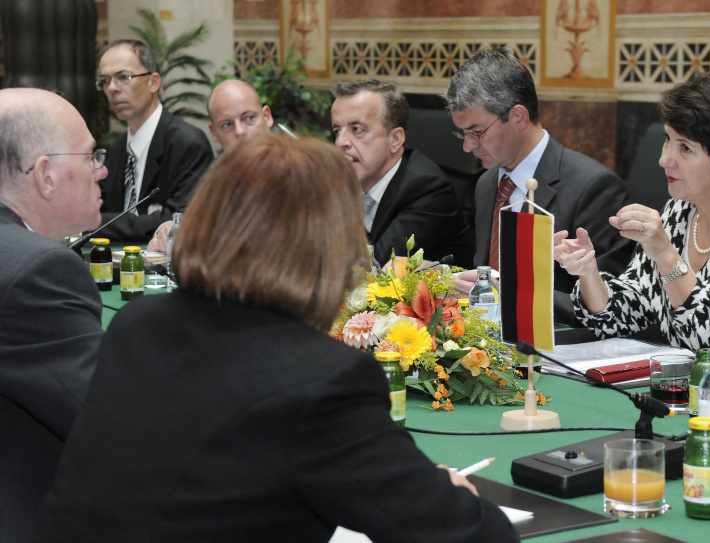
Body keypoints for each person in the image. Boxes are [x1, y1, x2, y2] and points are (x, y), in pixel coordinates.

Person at [34, 135, 520, 543]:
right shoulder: (321, 381)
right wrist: (459, 491)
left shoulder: (139, 324)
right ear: (331, 246)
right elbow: (470, 534)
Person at [554, 69, 710, 359]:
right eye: (667, 139)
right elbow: (628, 311)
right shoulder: (682, 208)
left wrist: (666, 255)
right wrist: (588, 272)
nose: (664, 159)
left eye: (685, 148)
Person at [442, 47, 633, 325]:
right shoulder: (487, 183)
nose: (467, 146)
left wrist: (511, 294)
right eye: (462, 133)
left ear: (518, 117)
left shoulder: (593, 188)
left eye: (476, 132)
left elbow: (610, 308)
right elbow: (488, 276)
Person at [0, 88, 106, 543]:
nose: (102, 169)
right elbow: (106, 420)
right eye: (90, 156)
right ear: (45, 175)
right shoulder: (38, 270)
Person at [332, 79, 475, 268]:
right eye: (336, 131)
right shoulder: (344, 183)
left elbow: (373, 270)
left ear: (395, 139)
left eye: (356, 129)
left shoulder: (427, 189)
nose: (341, 142)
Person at [96, 39, 213, 241]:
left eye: (124, 77)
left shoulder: (187, 144)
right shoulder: (119, 148)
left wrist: (95, 223)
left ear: (154, 82)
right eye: (105, 80)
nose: (112, 88)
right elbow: (98, 207)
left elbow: (181, 220)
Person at [147, 79, 274, 252]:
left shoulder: (301, 169)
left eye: (249, 118)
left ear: (267, 117)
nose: (240, 132)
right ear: (214, 132)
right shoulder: (214, 175)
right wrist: (171, 229)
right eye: (227, 124)